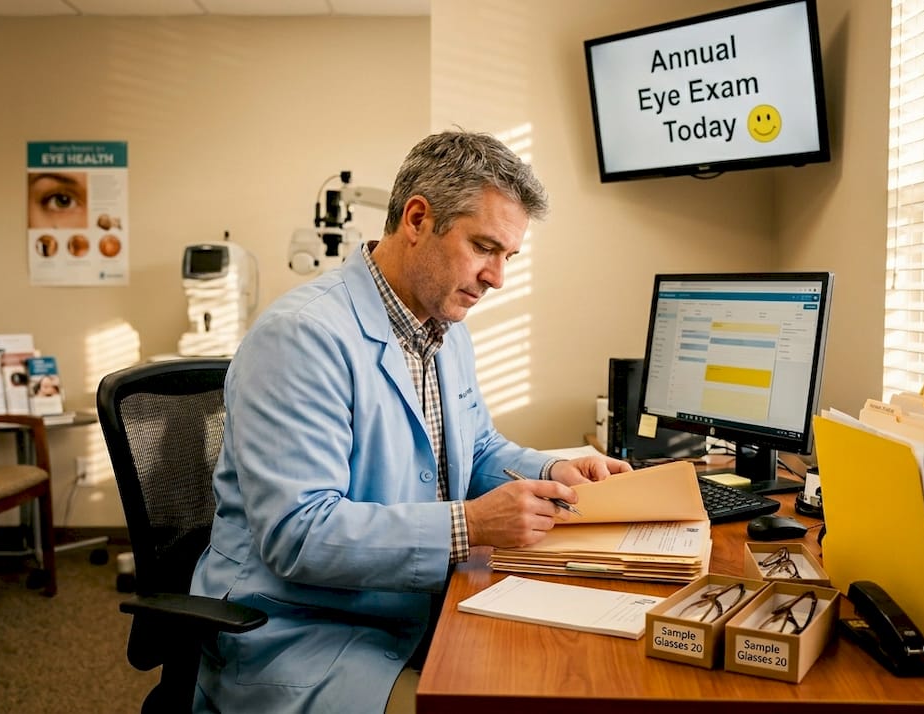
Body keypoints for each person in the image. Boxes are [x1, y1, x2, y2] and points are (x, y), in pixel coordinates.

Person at [190, 130, 631, 713]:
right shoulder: (301, 338)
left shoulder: (444, 329)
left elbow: (473, 451)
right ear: (418, 219)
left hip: (409, 610)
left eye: (508, 257)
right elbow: (298, 534)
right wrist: (469, 525)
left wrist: (554, 467)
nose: (497, 276)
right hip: (297, 634)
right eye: (484, 247)